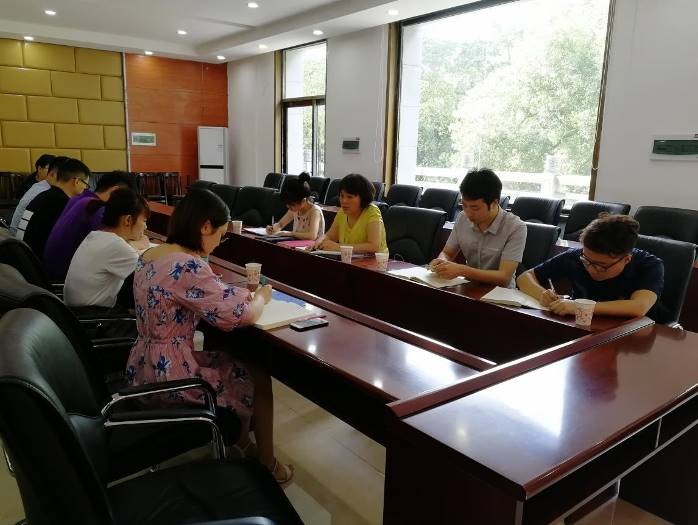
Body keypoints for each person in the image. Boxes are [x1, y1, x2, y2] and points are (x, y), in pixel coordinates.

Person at [124, 189, 293, 483]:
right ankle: (266, 462)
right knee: (256, 373)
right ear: (205, 227)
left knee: (228, 358)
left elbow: (210, 293)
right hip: (171, 376)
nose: (218, 244)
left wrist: (234, 293)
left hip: (142, 365)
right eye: (220, 235)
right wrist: (261, 297)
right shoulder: (187, 266)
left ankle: (241, 444)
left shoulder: (150, 254)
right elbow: (240, 315)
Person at [517, 214, 666, 321]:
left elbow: (638, 307)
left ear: (626, 259)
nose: (591, 269)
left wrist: (578, 306)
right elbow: (525, 277)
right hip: (587, 326)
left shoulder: (649, 265)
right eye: (586, 261)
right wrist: (541, 294)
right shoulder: (576, 256)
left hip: (638, 335)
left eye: (601, 266)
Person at [430, 168, 526, 287]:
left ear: (494, 203)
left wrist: (462, 270)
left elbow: (504, 277)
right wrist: (442, 262)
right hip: (469, 287)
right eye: (464, 205)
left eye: (475, 208)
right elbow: (447, 253)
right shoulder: (462, 218)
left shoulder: (516, 227)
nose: (468, 213)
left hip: (501, 293)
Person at [44, 170, 139, 280]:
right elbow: (116, 246)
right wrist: (137, 242)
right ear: (115, 191)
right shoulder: (96, 209)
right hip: (63, 278)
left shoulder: (80, 198)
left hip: (52, 272)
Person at [64, 188, 149, 310]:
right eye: (144, 221)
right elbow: (150, 276)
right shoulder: (117, 246)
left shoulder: (96, 236)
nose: (145, 227)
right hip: (94, 316)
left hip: (73, 313)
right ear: (128, 220)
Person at [16, 158, 90, 258]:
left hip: (24, 257)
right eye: (86, 185)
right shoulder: (64, 204)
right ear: (77, 181)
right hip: (40, 262)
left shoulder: (42, 196)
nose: (85, 189)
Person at [315, 173, 388, 253]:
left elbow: (373, 246)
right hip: (349, 258)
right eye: (342, 196)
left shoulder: (372, 211)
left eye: (350, 197)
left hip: (375, 260)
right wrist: (320, 241)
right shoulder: (342, 212)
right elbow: (330, 236)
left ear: (363, 198)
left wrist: (339, 247)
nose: (344, 201)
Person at [265, 172, 325, 241]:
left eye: (292, 204)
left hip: (312, 246)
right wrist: (273, 229)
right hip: (297, 244)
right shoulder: (295, 209)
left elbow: (312, 236)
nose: (288, 207)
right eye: (287, 204)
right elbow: (280, 224)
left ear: (303, 201)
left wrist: (290, 233)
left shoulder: (315, 211)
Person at [10, 154, 60, 235]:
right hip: (20, 234)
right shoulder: (34, 186)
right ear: (39, 168)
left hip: (20, 230)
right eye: (49, 169)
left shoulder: (43, 186)